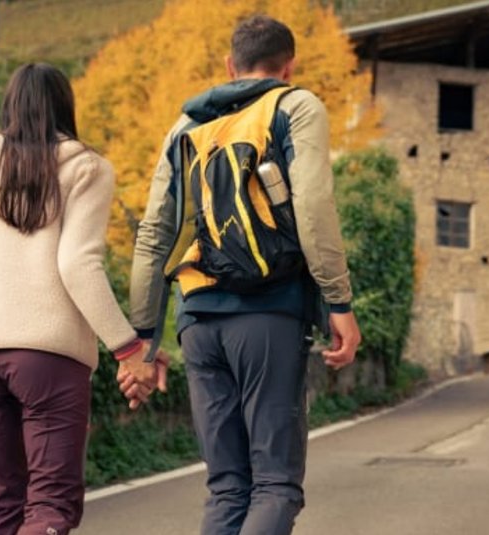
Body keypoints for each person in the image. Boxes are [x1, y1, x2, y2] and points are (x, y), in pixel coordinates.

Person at [123, 15, 363, 535]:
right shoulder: (294, 105)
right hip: (269, 314)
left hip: (197, 322)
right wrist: (339, 304)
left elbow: (154, 234)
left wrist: (143, 336)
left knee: (228, 486)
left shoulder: (186, 125)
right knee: (275, 485)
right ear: (289, 65)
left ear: (230, 66)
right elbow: (315, 208)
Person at [0, 63, 167, 535]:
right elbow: (78, 264)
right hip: (48, 359)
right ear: (64, 108)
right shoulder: (87, 168)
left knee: (0, 506)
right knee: (50, 508)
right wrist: (128, 350)